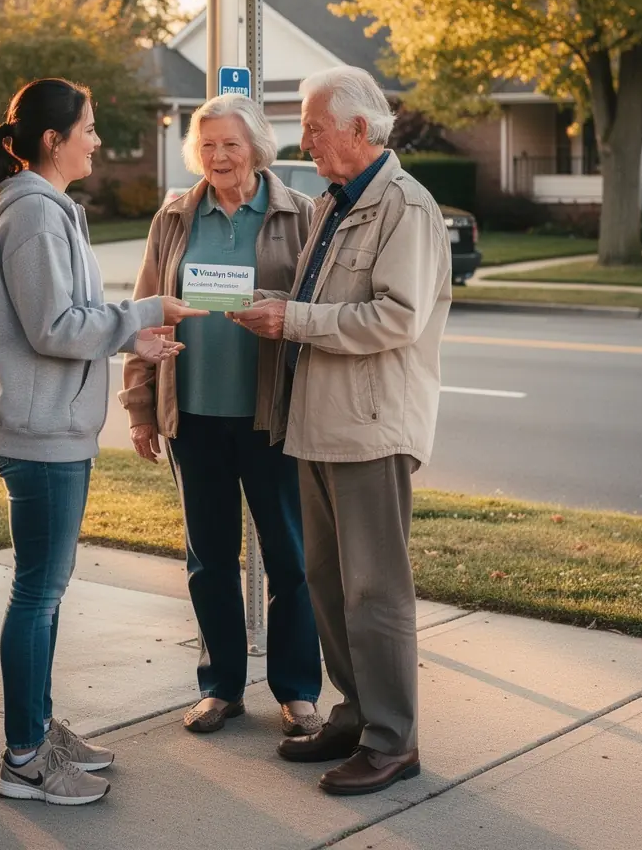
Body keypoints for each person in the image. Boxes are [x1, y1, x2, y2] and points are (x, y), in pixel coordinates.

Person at [0, 77, 206, 807]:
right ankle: (24, 760)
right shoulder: (34, 216)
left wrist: (137, 334)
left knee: (46, 591)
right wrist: (143, 311)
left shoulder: (44, 209)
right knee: (36, 594)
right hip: (38, 434)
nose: (98, 140)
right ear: (51, 140)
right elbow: (53, 329)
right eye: (89, 129)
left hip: (48, 426)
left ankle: (37, 725)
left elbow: (71, 315)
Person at [231, 66, 452, 796]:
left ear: (359, 129)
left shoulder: (405, 208)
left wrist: (291, 319)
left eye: (315, 128)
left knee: (375, 592)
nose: (305, 142)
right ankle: (356, 716)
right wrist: (272, 304)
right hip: (316, 425)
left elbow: (396, 317)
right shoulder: (332, 204)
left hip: (370, 430)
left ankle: (395, 741)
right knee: (326, 582)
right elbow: (316, 300)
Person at [120, 93, 324, 739]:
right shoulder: (176, 217)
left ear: (257, 147)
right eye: (207, 145)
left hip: (274, 418)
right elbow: (144, 307)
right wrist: (141, 407)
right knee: (209, 559)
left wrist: (272, 304)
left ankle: (297, 692)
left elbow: (319, 306)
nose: (218, 157)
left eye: (230, 144)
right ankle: (221, 688)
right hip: (195, 415)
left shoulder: (301, 214)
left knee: (291, 559)